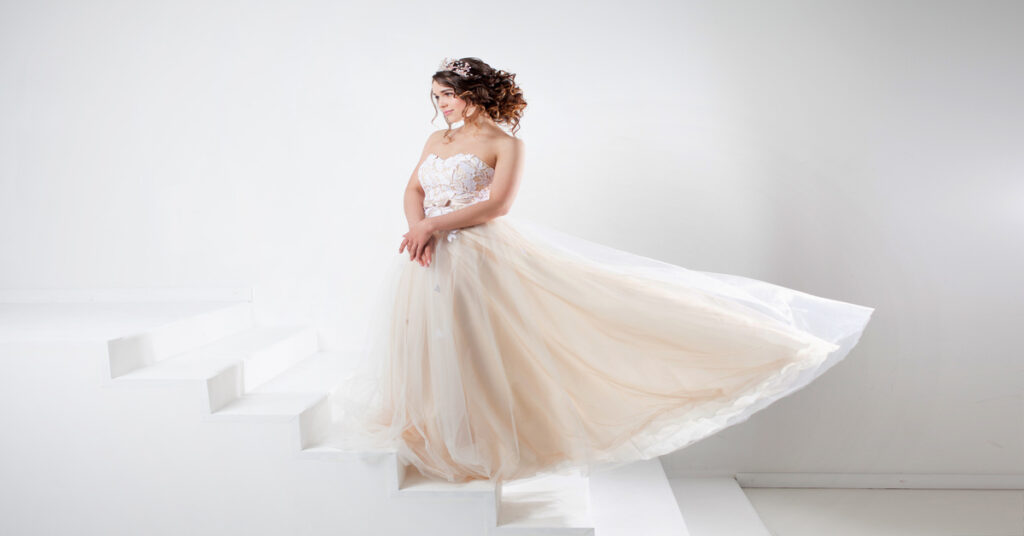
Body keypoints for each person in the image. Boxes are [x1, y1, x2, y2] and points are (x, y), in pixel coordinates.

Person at [329, 56, 875, 484]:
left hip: (477, 256)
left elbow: (498, 207)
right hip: (426, 257)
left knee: (478, 346)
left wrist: (438, 228)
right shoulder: (436, 139)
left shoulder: (505, 144)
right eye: (435, 97)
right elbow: (414, 187)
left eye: (447, 96)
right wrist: (418, 224)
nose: (440, 105)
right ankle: (435, 438)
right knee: (429, 343)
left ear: (474, 96)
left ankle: (483, 443)